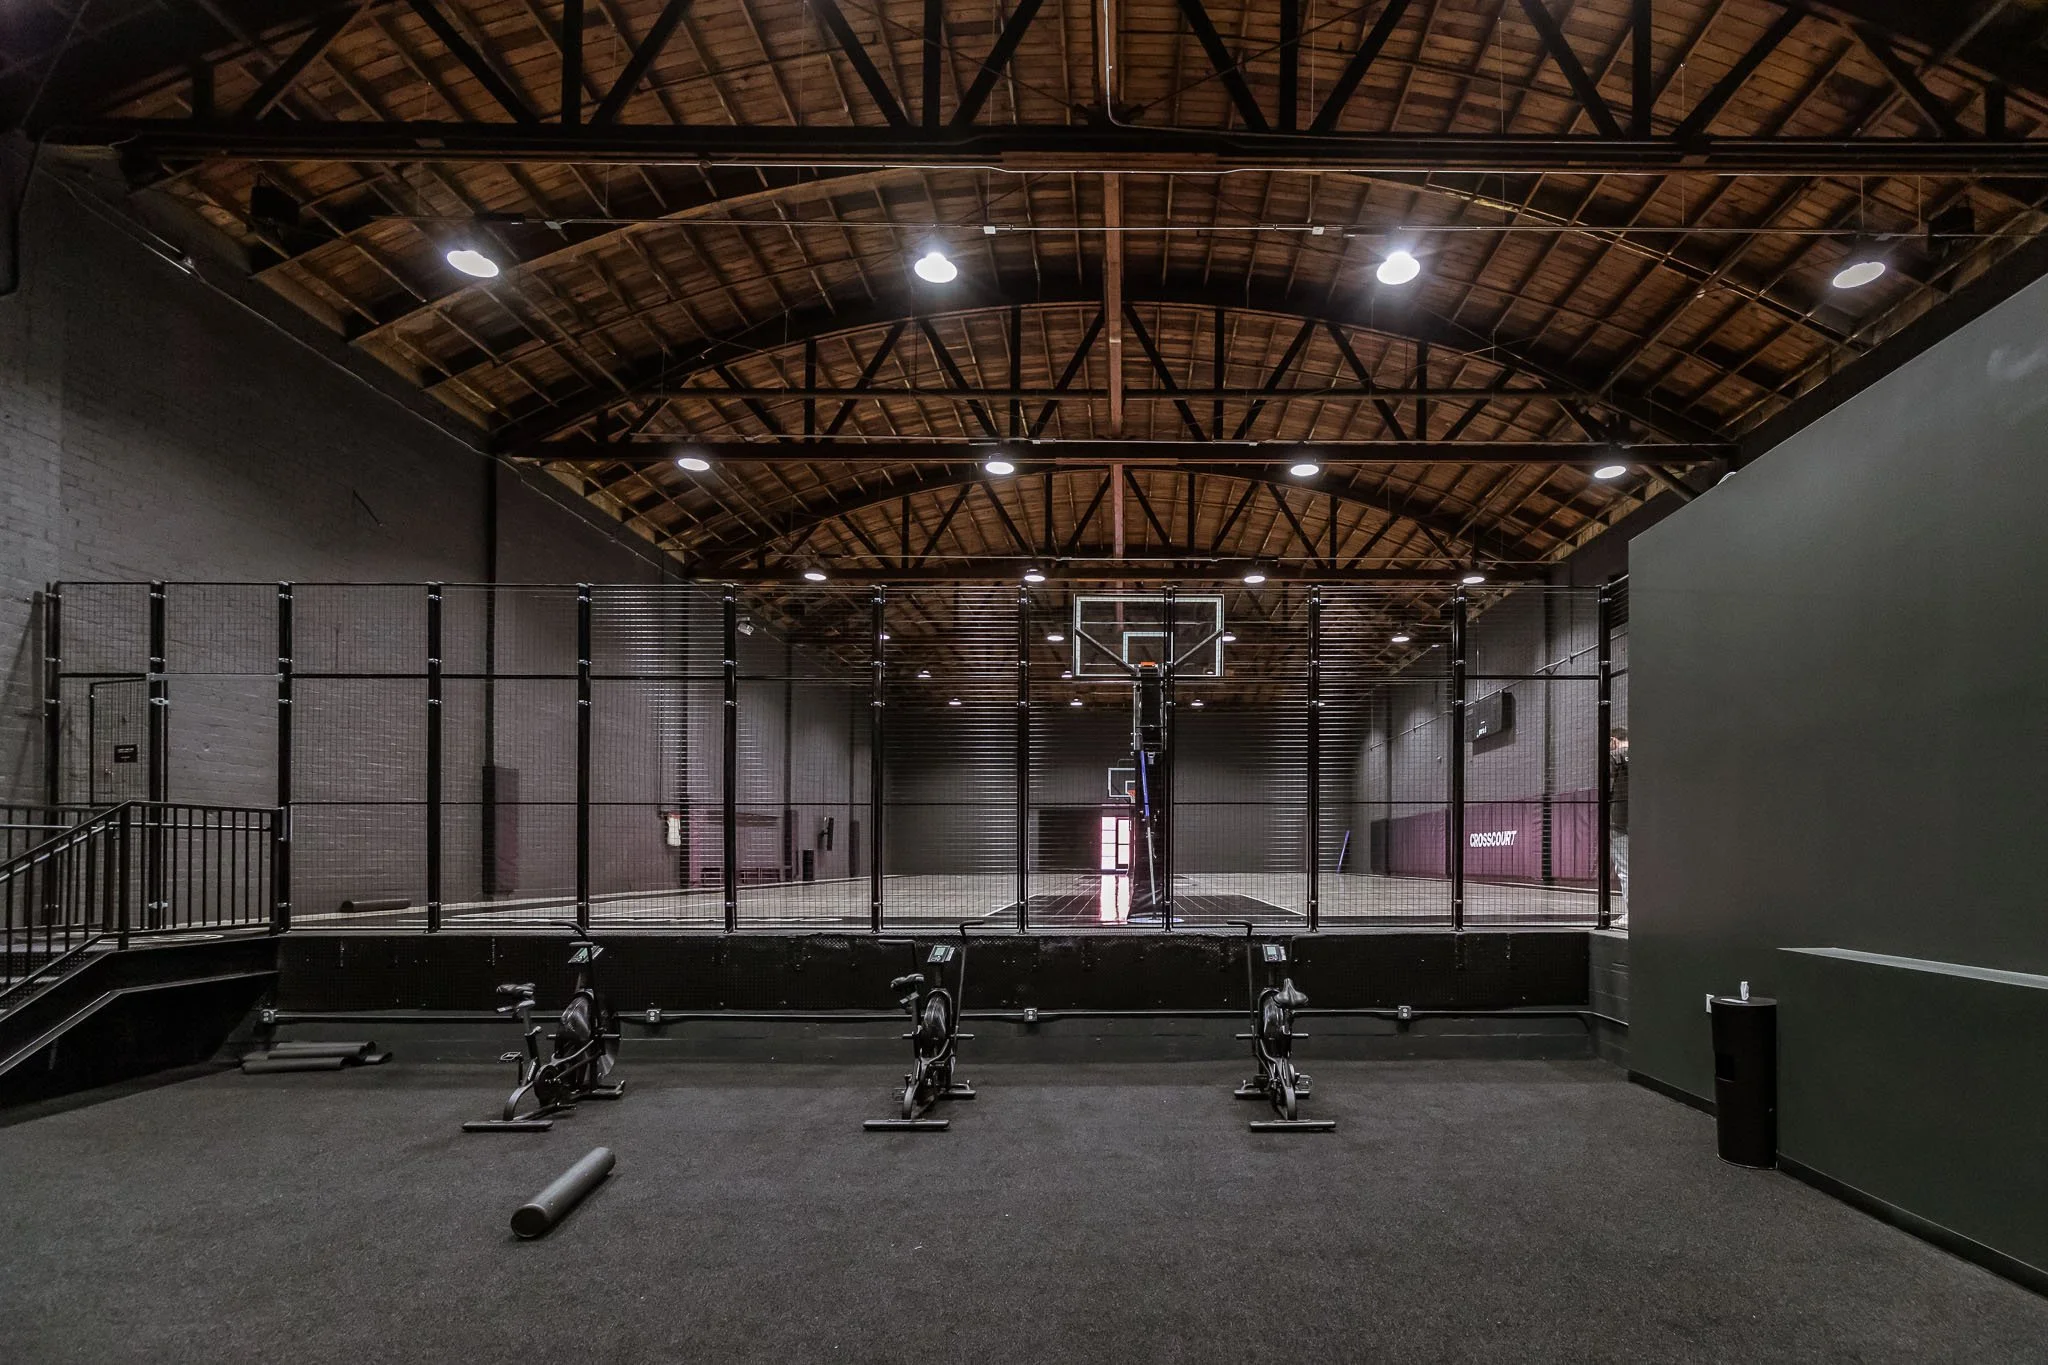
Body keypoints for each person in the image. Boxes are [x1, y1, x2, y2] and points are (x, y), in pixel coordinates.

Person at [1607, 727, 1629, 916]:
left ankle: (1632, 915)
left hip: (1621, 821)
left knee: (1625, 869)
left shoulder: (1615, 756)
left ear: (1613, 740)